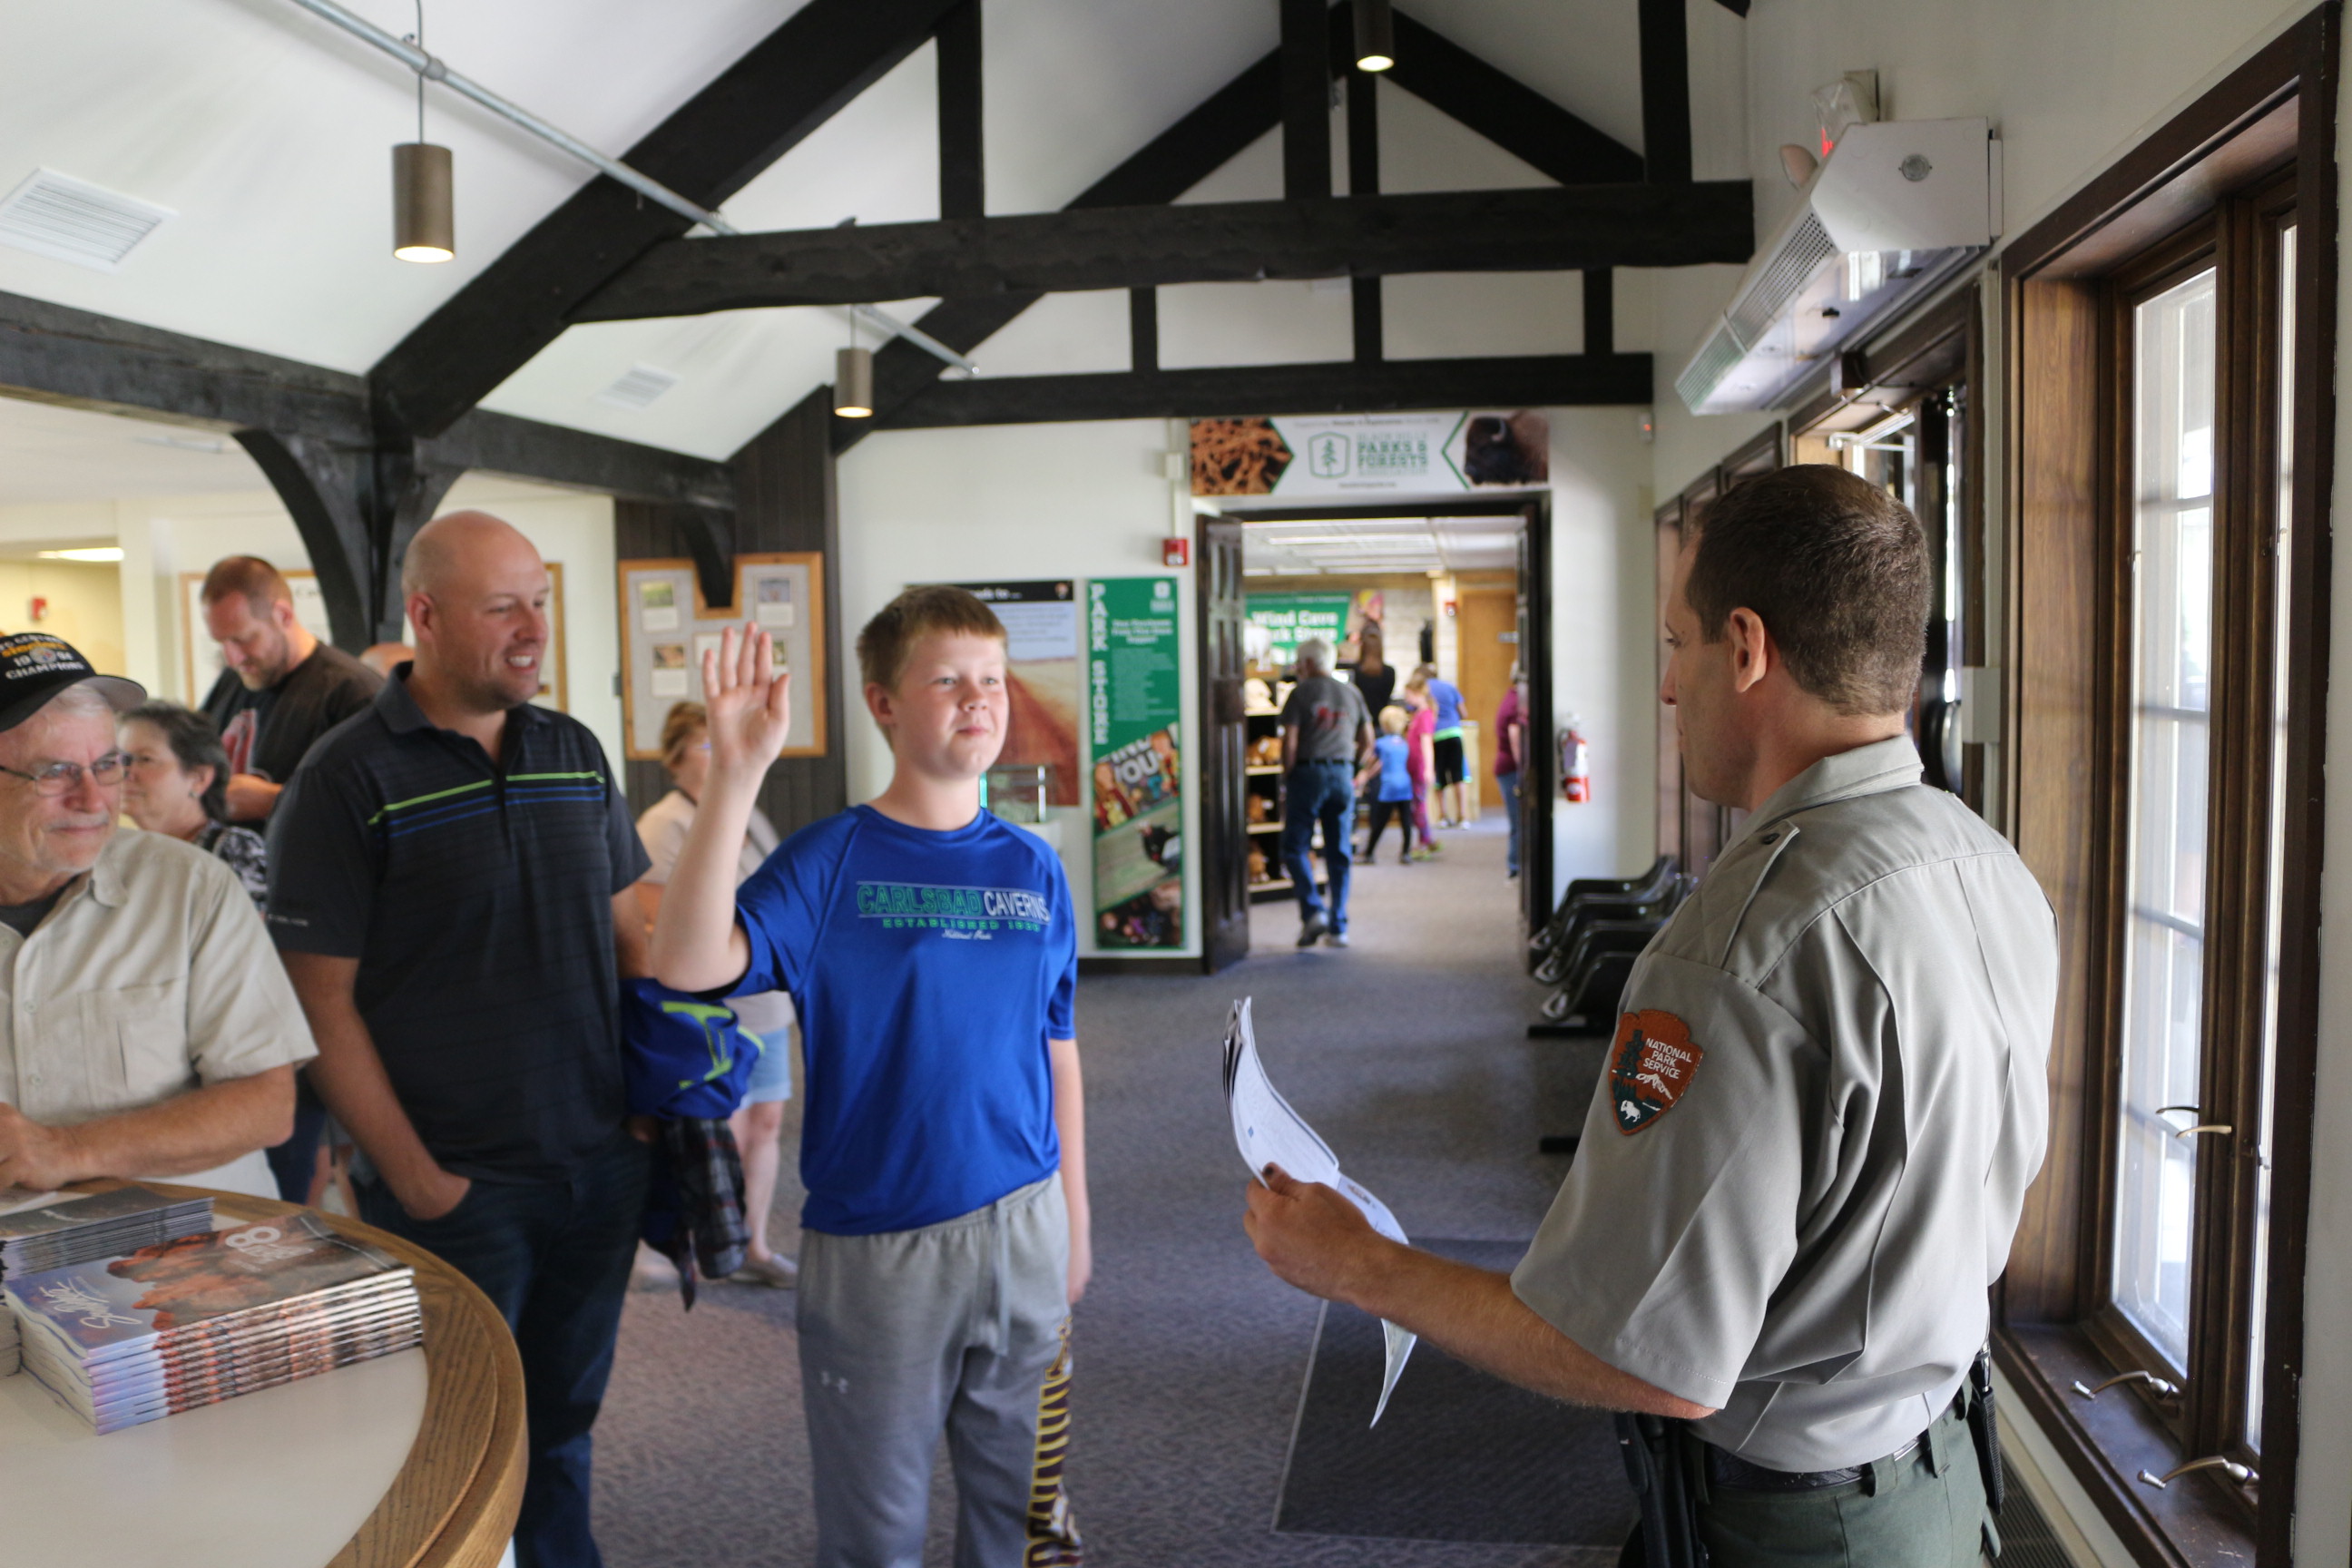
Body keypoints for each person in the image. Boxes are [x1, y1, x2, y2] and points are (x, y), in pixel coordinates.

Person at [1244, 466, 2058, 1568]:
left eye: (1678, 644)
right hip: (1946, 1480)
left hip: (1804, 1530)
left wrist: (1358, 1266)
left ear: (1747, 647)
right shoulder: (1985, 862)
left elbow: (1643, 1354)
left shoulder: (1742, 947)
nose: (1670, 688)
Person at [649, 586, 1088, 1568]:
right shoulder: (832, 860)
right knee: (875, 1540)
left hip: (1027, 1226)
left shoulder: (1032, 867)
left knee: (1024, 1527)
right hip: (883, 1250)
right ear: (883, 702)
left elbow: (1057, 1045)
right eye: (947, 680)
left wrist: (1075, 1219)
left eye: (992, 680)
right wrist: (735, 776)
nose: (978, 699)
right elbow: (687, 964)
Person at [267, 512, 651, 1568]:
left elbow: (631, 941)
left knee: (562, 1428)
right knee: (450, 1446)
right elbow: (318, 1005)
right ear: (426, 617)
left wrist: (644, 1121)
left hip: (596, 1168)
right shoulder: (344, 780)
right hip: (455, 1190)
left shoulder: (573, 750)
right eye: (503, 607)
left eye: (541, 601)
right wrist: (417, 1180)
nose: (534, 628)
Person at [0, 633, 311, 1200]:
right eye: (55, 772)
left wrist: (67, 1149)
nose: (94, 800)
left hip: (195, 1245)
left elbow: (267, 1104)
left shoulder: (191, 887)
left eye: (107, 765)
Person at [633, 700, 798, 1289]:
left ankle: (753, 1243)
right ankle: (694, 1240)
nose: (718, 752)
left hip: (767, 999)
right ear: (675, 758)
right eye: (705, 745)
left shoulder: (748, 814)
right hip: (712, 1012)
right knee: (719, 1129)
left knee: (767, 1122)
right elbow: (660, 928)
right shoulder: (664, 824)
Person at [198, 555, 383, 824]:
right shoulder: (232, 679)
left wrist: (272, 801)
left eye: (243, 639)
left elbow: (379, 804)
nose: (233, 659)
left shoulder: (352, 692)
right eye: (221, 643)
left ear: (283, 615)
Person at [118, 702, 269, 910]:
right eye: (121, 759)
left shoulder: (233, 849)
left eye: (145, 759)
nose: (126, 773)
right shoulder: (123, 852)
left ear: (199, 778)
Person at [1279, 637, 1372, 948]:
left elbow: (1290, 741)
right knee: (1339, 851)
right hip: (1342, 774)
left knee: (1295, 847)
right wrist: (1353, 768)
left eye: (1298, 663)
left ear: (1307, 663)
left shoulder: (1299, 693)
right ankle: (1338, 926)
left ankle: (1313, 911)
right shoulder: (1351, 692)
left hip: (1307, 773)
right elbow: (1368, 740)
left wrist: (1287, 774)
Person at [1355, 706, 1416, 866]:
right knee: (1406, 821)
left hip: (1389, 787)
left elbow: (1371, 763)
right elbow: (1385, 763)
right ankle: (1406, 853)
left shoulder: (1380, 743)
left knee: (1380, 822)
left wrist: (1363, 775)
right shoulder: (1403, 743)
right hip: (1405, 784)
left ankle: (1369, 853)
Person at [1419, 662, 1470, 826]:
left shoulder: (1423, 690)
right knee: (1458, 776)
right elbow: (1464, 713)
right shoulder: (1449, 686)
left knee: (1439, 777)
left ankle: (1443, 816)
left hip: (1435, 736)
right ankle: (1463, 817)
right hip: (1454, 733)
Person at [1399, 672, 1440, 860]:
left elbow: (1426, 743)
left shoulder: (1425, 715)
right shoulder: (1417, 714)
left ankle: (1424, 841)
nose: (1406, 699)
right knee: (1416, 804)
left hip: (1419, 768)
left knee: (1419, 805)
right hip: (1413, 767)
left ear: (1417, 693)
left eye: (1408, 695)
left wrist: (1429, 769)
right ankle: (1427, 838)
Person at [1494, 667, 1528, 879]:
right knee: (1519, 821)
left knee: (1518, 820)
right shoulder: (1516, 703)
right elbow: (1515, 738)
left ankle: (1516, 864)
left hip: (1507, 768)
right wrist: (1523, 769)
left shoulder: (1512, 697)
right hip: (1511, 769)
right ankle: (1515, 865)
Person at [1349, 622, 1396, 719]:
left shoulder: (1354, 671)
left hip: (1359, 720)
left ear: (1362, 647)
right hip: (1381, 720)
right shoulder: (1389, 672)